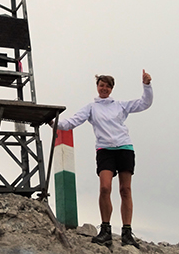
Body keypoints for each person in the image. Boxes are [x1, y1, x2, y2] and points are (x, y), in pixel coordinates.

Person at [53, 70, 152, 248]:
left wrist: (147, 85)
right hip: (105, 150)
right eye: (101, 85)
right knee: (105, 188)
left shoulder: (120, 105)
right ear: (97, 87)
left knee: (125, 190)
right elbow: (73, 121)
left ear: (111, 89)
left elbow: (145, 103)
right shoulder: (91, 107)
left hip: (124, 148)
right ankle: (105, 230)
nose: (104, 88)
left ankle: (127, 232)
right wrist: (54, 123)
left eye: (107, 86)